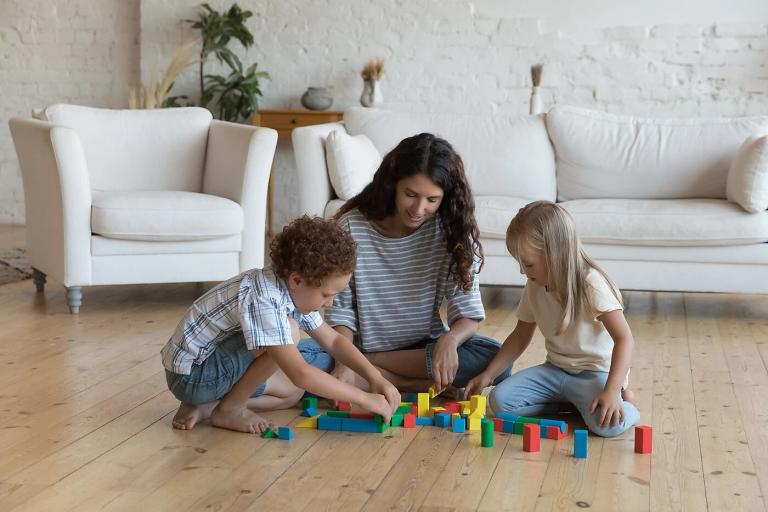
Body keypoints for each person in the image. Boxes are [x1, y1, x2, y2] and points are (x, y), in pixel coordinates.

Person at [299, 132, 508, 397]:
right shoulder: (352, 227)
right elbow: (341, 313)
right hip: (353, 347)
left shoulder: (452, 233)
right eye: (411, 194)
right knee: (288, 359)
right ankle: (408, 385)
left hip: (421, 350)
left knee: (495, 360)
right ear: (393, 184)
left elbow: (467, 312)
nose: (419, 209)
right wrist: (344, 362)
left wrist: (450, 340)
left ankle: (369, 371)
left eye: (432, 200)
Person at [161, 216, 400, 434]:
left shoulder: (294, 288)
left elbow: (335, 341)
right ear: (297, 280)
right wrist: (363, 398)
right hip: (194, 376)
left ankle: (208, 408)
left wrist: (374, 377)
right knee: (291, 335)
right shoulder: (265, 297)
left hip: (209, 373)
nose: (331, 302)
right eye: (327, 294)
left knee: (290, 394)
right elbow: (301, 374)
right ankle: (230, 409)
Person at [464, 200, 640, 437]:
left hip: (595, 373)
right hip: (555, 371)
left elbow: (624, 338)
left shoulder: (591, 283)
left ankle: (624, 402)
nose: (522, 271)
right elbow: (520, 335)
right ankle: (577, 405)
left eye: (528, 263)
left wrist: (611, 390)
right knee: (499, 402)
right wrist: (489, 375)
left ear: (555, 254)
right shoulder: (535, 285)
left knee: (606, 425)